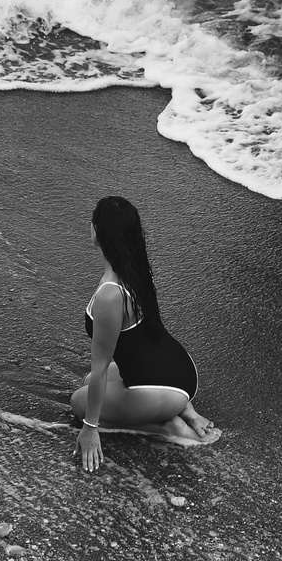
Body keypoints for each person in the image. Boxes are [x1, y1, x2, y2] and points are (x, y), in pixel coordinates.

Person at [72, 195, 213, 471]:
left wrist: (90, 428)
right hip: (182, 369)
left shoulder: (110, 295)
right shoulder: (136, 268)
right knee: (87, 382)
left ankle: (167, 426)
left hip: (162, 389)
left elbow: (101, 369)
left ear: (96, 233)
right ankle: (186, 410)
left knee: (80, 401)